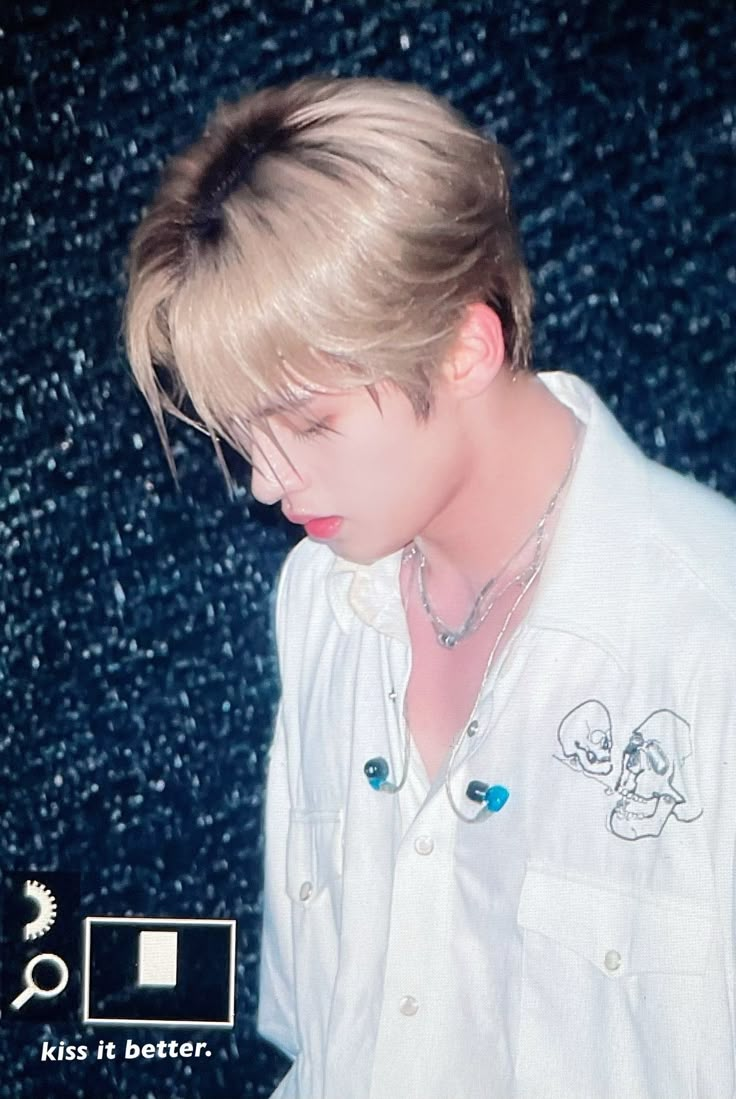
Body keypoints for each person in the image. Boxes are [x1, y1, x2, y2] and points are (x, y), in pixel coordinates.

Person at [124, 76, 736, 1099]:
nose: (269, 483)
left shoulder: (707, 636)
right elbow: (317, 1032)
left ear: (463, 346)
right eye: (239, 438)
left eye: (308, 424)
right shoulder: (320, 596)